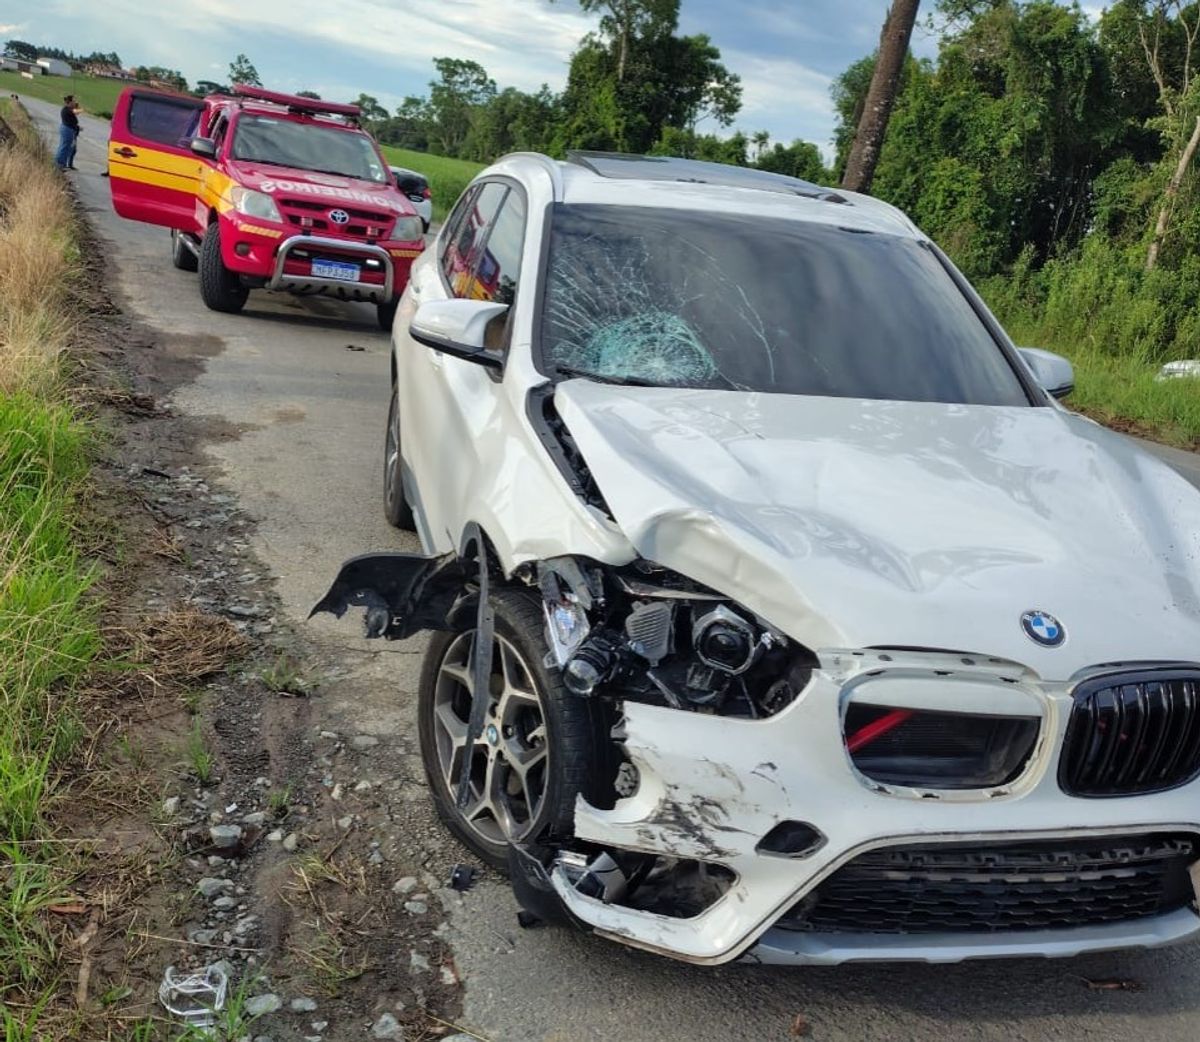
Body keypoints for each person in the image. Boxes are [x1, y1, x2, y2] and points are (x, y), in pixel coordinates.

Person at [55, 95, 80, 171]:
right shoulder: (66, 109)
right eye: (73, 101)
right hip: (67, 130)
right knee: (64, 147)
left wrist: (76, 106)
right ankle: (59, 164)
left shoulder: (68, 109)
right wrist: (77, 106)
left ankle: (62, 164)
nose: (75, 102)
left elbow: (76, 112)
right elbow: (77, 112)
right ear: (70, 102)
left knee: (67, 147)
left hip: (69, 129)